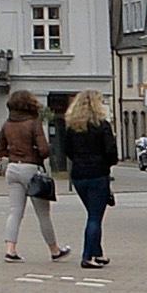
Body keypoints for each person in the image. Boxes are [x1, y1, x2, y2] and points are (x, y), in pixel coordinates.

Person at [0, 92, 69, 262]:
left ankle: (10, 249)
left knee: (15, 212)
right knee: (43, 214)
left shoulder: (7, 124)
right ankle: (54, 250)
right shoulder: (33, 123)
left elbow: (0, 148)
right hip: (31, 169)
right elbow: (44, 150)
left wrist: (14, 153)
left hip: (13, 167)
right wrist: (37, 152)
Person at [58, 90, 120, 270]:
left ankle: (98, 252)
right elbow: (111, 152)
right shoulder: (103, 126)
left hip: (78, 175)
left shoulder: (72, 127)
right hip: (98, 174)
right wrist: (108, 164)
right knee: (95, 217)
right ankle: (87, 256)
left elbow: (67, 150)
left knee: (93, 213)